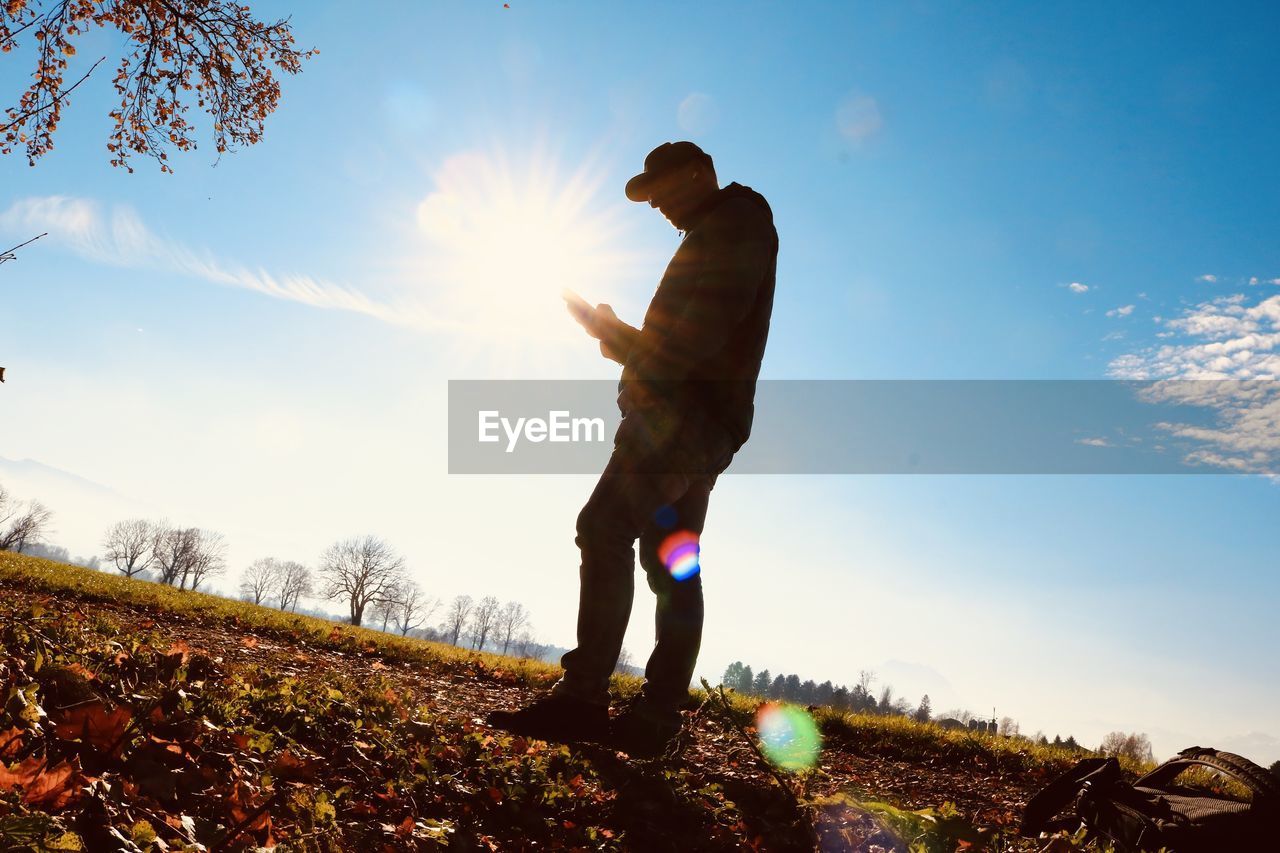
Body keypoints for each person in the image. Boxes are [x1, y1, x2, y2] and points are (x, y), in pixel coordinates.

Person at [487, 141, 779, 757]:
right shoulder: (725, 228)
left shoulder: (735, 224)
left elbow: (698, 337)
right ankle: (656, 721)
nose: (661, 208)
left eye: (665, 192)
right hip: (705, 420)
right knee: (670, 563)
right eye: (651, 201)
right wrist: (610, 331)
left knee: (604, 527)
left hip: (683, 417)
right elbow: (692, 340)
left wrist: (611, 333)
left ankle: (584, 699)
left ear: (700, 175)